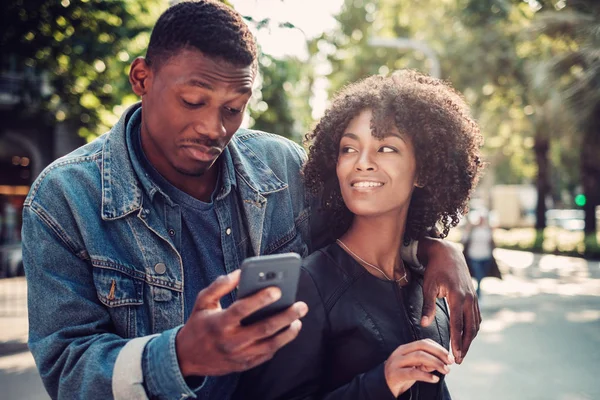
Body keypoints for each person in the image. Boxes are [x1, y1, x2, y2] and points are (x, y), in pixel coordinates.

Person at [22, 2, 479, 399]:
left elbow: (359, 239)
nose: (213, 128)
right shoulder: (65, 197)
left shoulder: (281, 166)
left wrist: (435, 249)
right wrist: (181, 356)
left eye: (233, 107)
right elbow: (67, 369)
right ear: (142, 77)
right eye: (193, 100)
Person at [235, 71, 483, 400]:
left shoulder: (428, 282)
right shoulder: (308, 284)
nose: (362, 163)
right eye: (349, 148)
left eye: (386, 148)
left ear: (423, 170)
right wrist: (382, 382)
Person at [462, 211, 501, 299]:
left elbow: (492, 242)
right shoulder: (472, 230)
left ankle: (477, 291)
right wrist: (467, 229)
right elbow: (464, 240)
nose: (481, 221)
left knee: (482, 275)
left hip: (486, 256)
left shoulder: (488, 230)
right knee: (479, 275)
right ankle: (477, 293)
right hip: (474, 256)